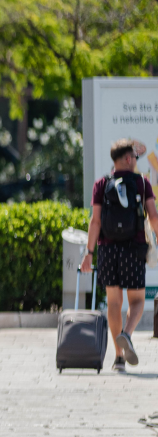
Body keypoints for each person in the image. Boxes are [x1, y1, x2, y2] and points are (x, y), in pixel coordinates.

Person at [81, 138, 158, 373]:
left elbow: (95, 221)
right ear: (127, 158)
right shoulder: (142, 183)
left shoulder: (101, 184)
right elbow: (153, 217)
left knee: (114, 303)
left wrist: (88, 253)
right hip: (132, 249)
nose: (136, 161)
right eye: (134, 157)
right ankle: (126, 333)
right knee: (136, 301)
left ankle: (118, 358)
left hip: (106, 249)